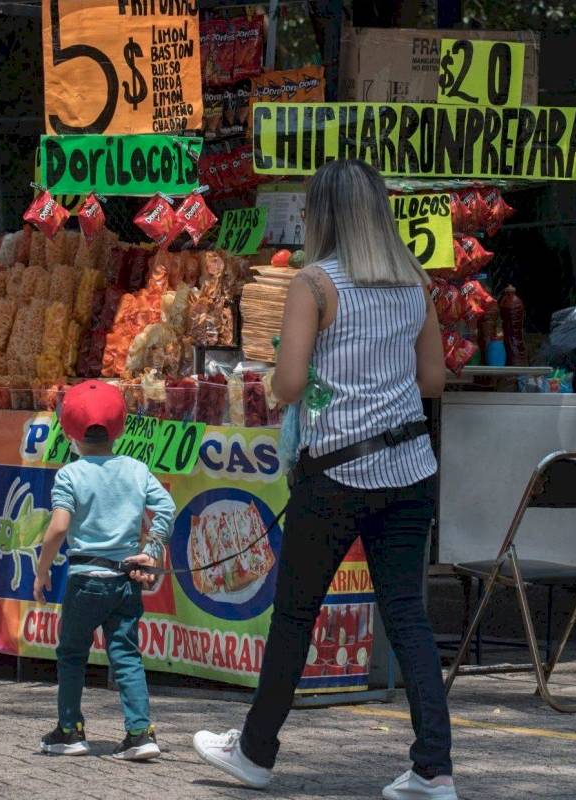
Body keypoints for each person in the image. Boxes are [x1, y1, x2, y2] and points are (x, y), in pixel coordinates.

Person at [191, 159, 456, 800]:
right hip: (410, 467)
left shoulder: (314, 283)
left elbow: (285, 384)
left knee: (295, 615)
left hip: (335, 472)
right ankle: (433, 769)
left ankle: (256, 752)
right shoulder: (413, 282)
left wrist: (311, 383)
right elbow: (433, 382)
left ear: (324, 215)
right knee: (408, 618)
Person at [33, 379, 177, 760]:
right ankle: (140, 732)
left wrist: (42, 569)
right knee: (126, 654)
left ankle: (70, 730)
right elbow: (166, 509)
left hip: (85, 582)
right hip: (126, 580)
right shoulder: (136, 469)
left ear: (68, 433)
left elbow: (60, 527)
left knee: (72, 654)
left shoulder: (70, 475)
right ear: (121, 428)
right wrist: (151, 550)